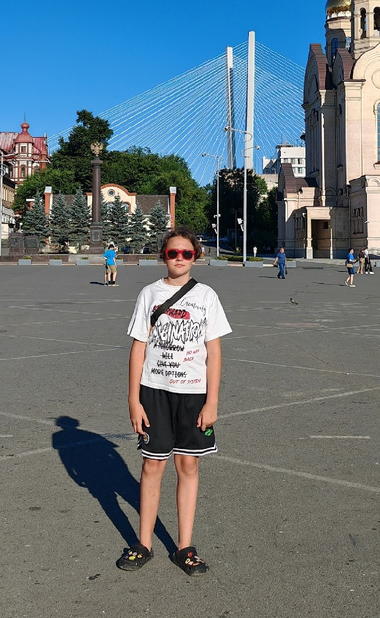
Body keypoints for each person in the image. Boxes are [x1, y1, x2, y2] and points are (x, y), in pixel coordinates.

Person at [119, 227, 230, 577]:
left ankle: (184, 547)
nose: (179, 258)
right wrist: (133, 399)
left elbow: (214, 351)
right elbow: (139, 346)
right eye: (172, 253)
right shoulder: (149, 294)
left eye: (186, 253)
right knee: (152, 466)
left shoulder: (207, 296)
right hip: (154, 391)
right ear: (162, 256)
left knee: (188, 466)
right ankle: (143, 544)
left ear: (195, 257)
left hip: (193, 393)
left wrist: (212, 401)